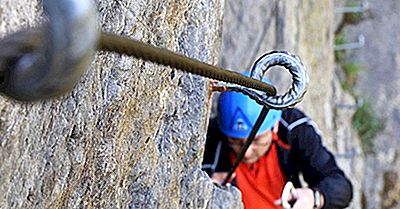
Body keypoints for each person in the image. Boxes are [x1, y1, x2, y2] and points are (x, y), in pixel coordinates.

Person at [202, 75, 353, 209]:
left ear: (274, 126)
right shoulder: (212, 139)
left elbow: (341, 187)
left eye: (256, 140)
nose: (246, 152)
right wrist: (206, 188)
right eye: (235, 141)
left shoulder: (294, 131)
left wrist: (314, 197)